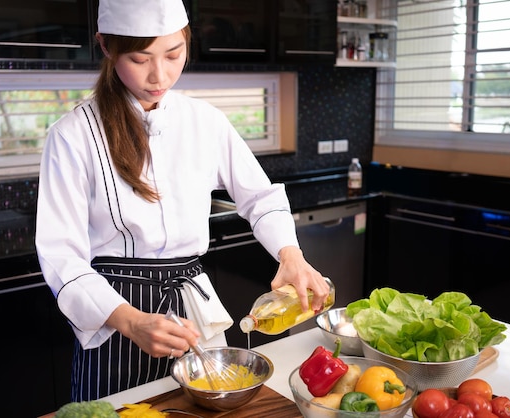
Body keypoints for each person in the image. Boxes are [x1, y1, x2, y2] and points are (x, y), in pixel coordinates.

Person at [35, 0, 329, 402]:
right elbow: (60, 256)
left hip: (195, 312)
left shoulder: (205, 121)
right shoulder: (73, 135)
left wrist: (290, 255)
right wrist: (133, 322)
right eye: (140, 59)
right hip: (116, 320)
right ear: (106, 46)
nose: (160, 75)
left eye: (174, 54)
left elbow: (260, 197)